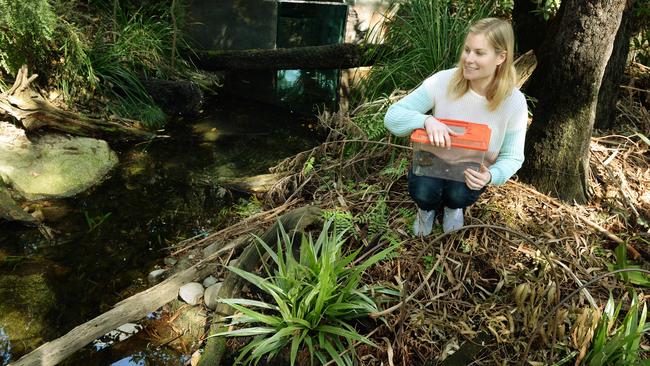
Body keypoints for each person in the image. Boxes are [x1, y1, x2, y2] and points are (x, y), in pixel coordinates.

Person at [384, 17, 528, 236]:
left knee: (459, 194)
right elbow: (393, 116)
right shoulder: (443, 81)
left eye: (479, 53)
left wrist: (491, 175)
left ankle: (453, 208)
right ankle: (426, 209)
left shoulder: (513, 101)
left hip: (470, 168)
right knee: (423, 191)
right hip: (432, 159)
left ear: (501, 57)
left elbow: (513, 156)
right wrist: (426, 120)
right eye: (467, 50)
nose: (468, 59)